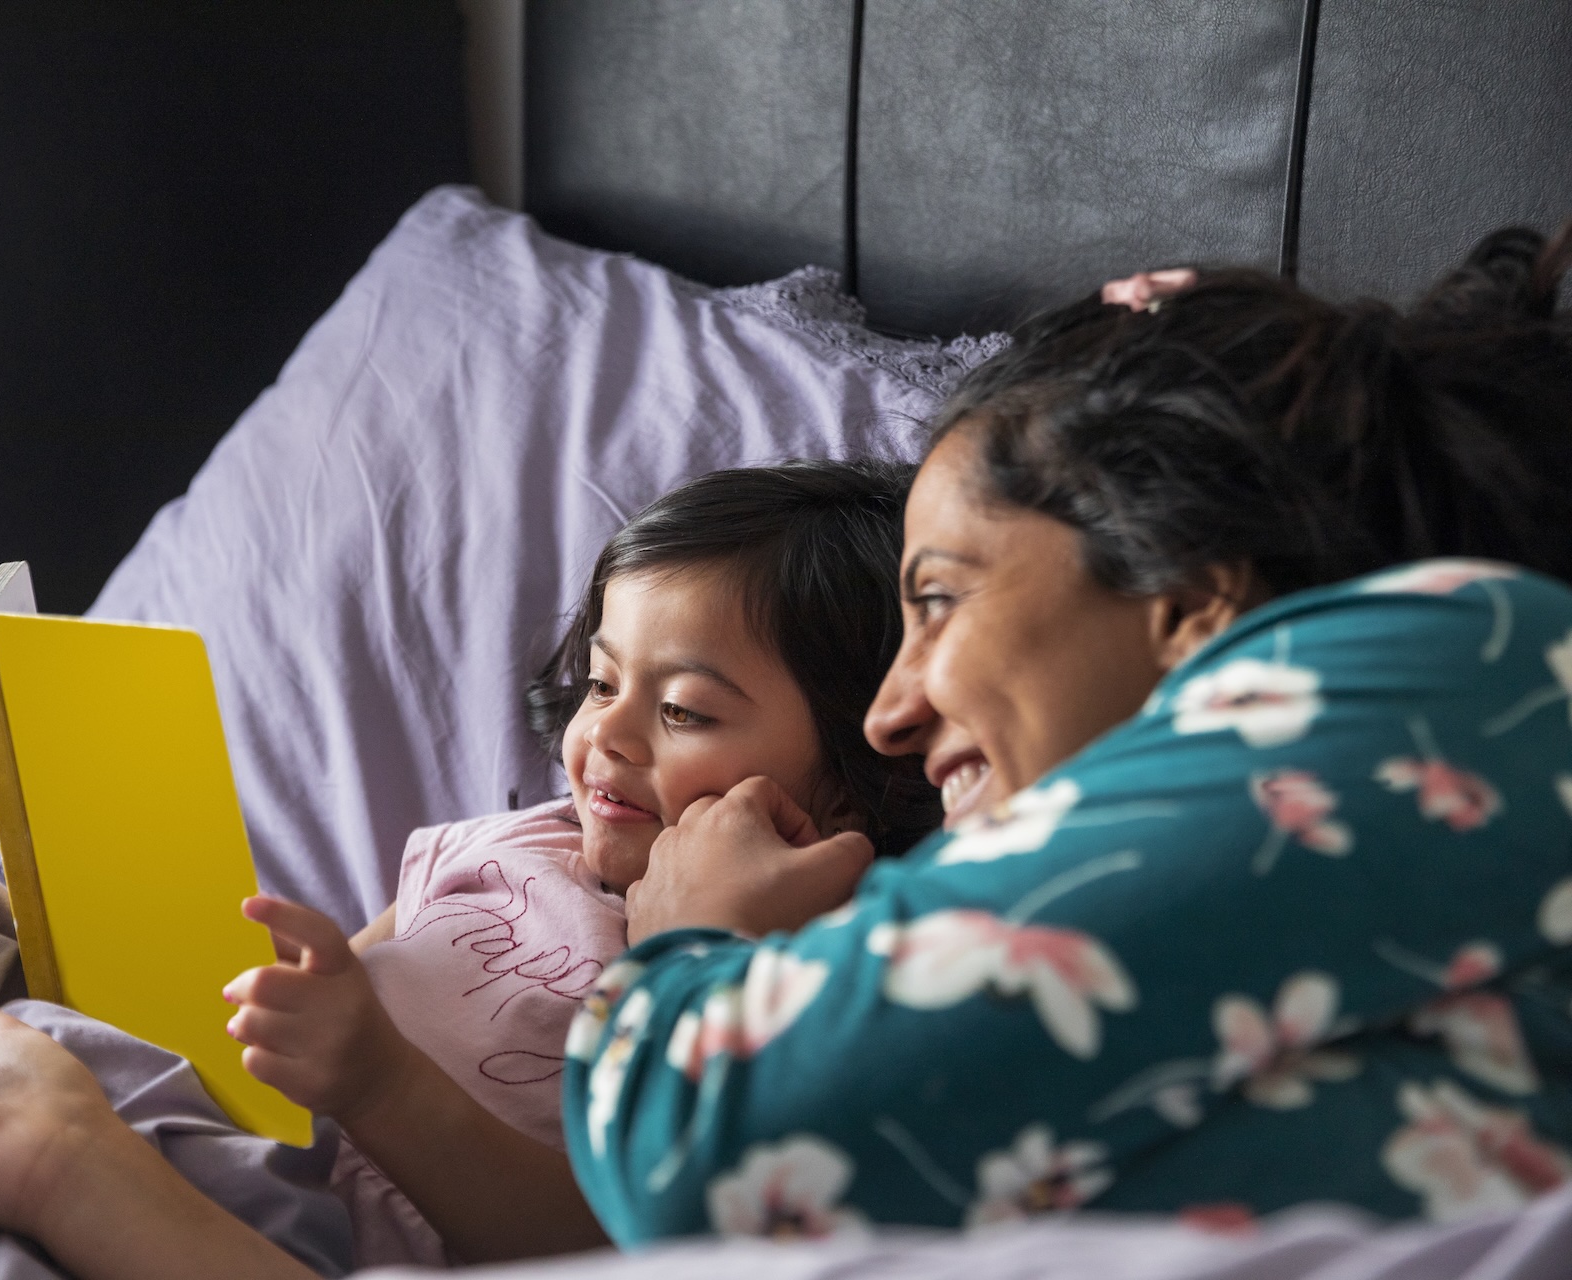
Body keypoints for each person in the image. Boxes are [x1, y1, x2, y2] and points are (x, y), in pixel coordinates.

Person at [569, 221, 1572, 1239]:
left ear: (1184, 591)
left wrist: (687, 940)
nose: (889, 714)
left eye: (939, 599)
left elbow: (697, 1149)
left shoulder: (1452, 653)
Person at [0, 461, 938, 1277]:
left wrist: (379, 1079)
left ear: (855, 771)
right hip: (196, 1123)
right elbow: (328, 986)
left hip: (287, 1235)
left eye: (686, 707)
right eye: (600, 682)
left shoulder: (798, 972)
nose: (611, 735)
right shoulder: (508, 840)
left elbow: (604, 1237)